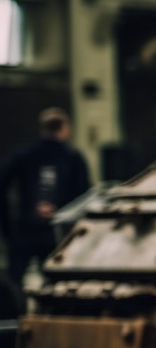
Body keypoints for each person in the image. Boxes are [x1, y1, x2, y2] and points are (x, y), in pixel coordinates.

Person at [0, 107, 92, 287]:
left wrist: (7, 227)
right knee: (56, 281)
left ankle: (14, 312)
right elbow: (84, 195)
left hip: (26, 228)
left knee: (14, 280)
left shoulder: (24, 155)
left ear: (42, 128)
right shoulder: (72, 157)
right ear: (65, 128)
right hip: (58, 232)